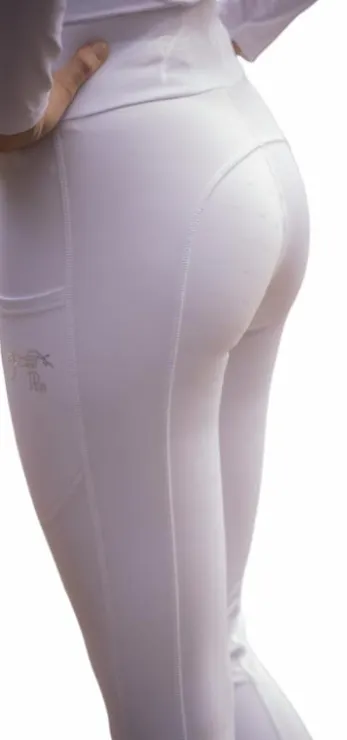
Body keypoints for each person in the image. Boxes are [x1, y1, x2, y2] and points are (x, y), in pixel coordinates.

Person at [0, 1, 319, 738]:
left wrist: (8, 103)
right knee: (215, 656)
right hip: (232, 140)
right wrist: (238, 21)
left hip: (107, 176)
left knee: (166, 703)